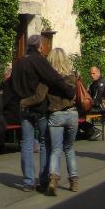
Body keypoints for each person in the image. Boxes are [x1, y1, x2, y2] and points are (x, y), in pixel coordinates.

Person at [10, 34, 74, 193]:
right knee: (45, 143)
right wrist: (68, 91)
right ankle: (44, 180)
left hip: (24, 107)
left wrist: (20, 99)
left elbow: (12, 85)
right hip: (40, 107)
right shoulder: (39, 60)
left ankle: (28, 181)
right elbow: (54, 78)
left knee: (26, 144)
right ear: (40, 47)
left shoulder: (18, 63)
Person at [45, 48, 78, 195]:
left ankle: (53, 179)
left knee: (56, 149)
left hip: (56, 114)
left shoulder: (48, 78)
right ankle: (74, 180)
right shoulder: (71, 76)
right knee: (69, 148)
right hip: (72, 113)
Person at [77, 65, 105, 141]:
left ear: (99, 73)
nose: (91, 75)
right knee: (77, 110)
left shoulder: (102, 83)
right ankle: (83, 132)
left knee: (77, 113)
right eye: (90, 73)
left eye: (93, 73)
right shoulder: (93, 84)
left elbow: (97, 100)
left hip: (101, 107)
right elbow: (89, 96)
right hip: (95, 106)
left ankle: (93, 130)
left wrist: (86, 103)